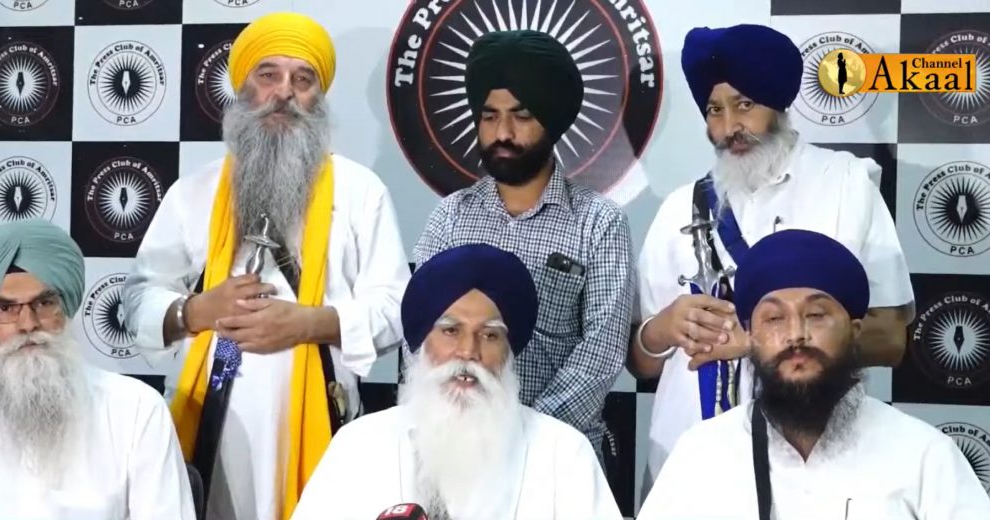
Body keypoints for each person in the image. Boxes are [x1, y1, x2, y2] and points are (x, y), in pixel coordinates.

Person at [122, 11, 412, 520]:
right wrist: (197, 310)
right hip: (208, 422)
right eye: (268, 75)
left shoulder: (360, 191)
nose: (284, 92)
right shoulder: (195, 191)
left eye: (303, 80)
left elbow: (396, 306)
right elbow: (138, 298)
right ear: (243, 88)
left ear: (318, 98)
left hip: (320, 418)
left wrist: (310, 323)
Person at [628, 23, 915, 492]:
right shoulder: (678, 208)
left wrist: (761, 339)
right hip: (690, 464)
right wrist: (663, 329)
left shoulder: (845, 184)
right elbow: (642, 362)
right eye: (714, 111)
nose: (729, 128)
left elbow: (891, 339)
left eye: (745, 105)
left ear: (777, 104)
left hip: (818, 457)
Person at [637, 229, 990, 519]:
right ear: (752, 336)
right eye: (774, 319)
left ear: (854, 330)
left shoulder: (924, 455)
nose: (796, 335)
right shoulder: (702, 455)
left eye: (817, 315)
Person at [412, 29, 634, 469]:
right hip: (457, 449)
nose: (503, 133)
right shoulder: (450, 216)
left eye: (521, 116)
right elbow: (419, 334)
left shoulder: (599, 221)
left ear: (551, 122)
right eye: (490, 117)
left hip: (558, 454)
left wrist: (526, 435)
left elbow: (602, 352)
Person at [293, 244, 622, 519]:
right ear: (423, 343)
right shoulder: (359, 446)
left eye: (490, 335)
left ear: (508, 353)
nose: (468, 351)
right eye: (451, 330)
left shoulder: (562, 452)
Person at [0, 219, 196, 520]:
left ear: (67, 307)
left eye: (45, 303)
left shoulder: (135, 410)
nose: (28, 324)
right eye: (4, 309)